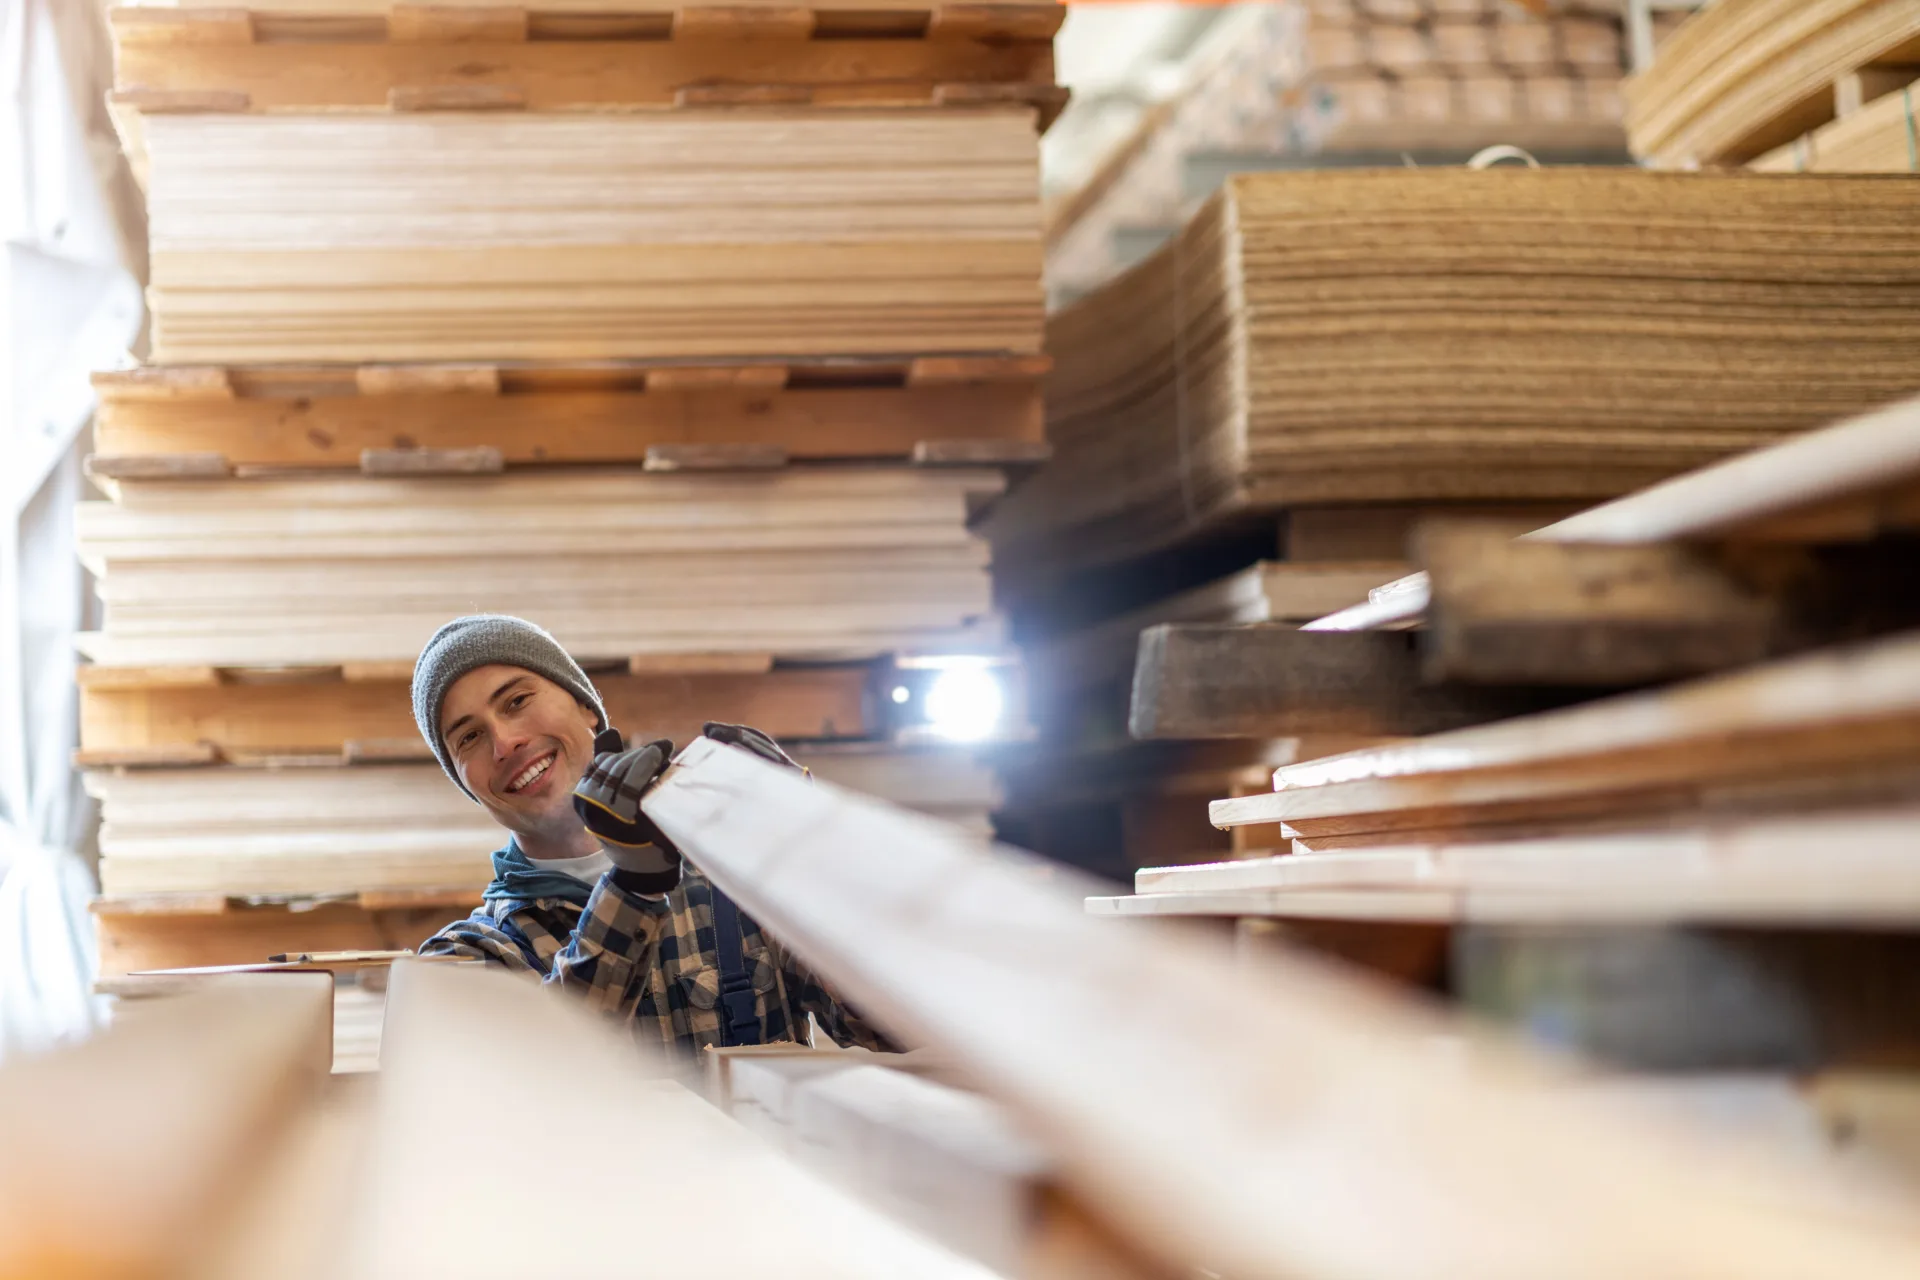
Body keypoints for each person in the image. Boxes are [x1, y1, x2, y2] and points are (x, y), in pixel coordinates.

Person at [409, 613, 893, 1058]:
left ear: (587, 709)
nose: (504, 742)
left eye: (517, 701)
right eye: (468, 737)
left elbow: (898, 1031)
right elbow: (523, 1094)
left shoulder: (736, 885)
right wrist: (631, 890)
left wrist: (808, 852)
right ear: (467, 784)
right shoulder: (466, 958)